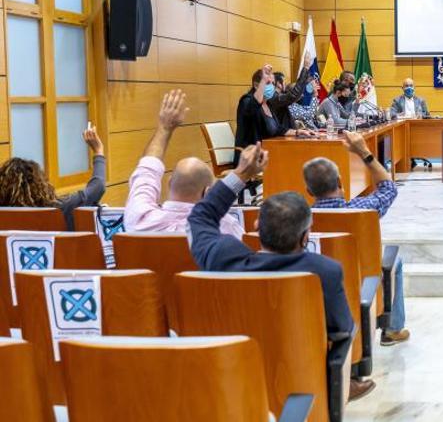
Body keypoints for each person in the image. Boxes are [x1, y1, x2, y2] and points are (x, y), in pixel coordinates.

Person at [186, 143, 376, 401]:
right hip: (303, 391)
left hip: (230, 385)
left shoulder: (223, 257)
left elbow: (200, 216)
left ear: (256, 226)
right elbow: (343, 329)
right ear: (306, 235)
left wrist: (242, 174)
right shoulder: (324, 271)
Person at [303, 131, 409, 346]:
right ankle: (391, 329)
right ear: (340, 182)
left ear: (308, 190)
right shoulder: (362, 209)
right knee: (394, 262)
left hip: (315, 279)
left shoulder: (300, 218)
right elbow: (388, 188)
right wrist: (364, 152)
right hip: (363, 276)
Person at [124, 89, 243, 238]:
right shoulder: (225, 228)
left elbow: (146, 171)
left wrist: (164, 128)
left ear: (169, 184)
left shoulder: (139, 221)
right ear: (207, 193)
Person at [0, 125, 105, 230]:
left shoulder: (4, 215)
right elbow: (98, 187)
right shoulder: (60, 207)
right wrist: (98, 151)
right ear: (40, 183)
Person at [233, 64, 312, 165]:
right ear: (256, 85)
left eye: (272, 83)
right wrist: (263, 81)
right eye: (268, 83)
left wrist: (297, 132)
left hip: (268, 153)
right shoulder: (246, 101)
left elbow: (278, 129)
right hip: (250, 159)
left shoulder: (269, 104)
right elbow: (254, 105)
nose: (271, 86)